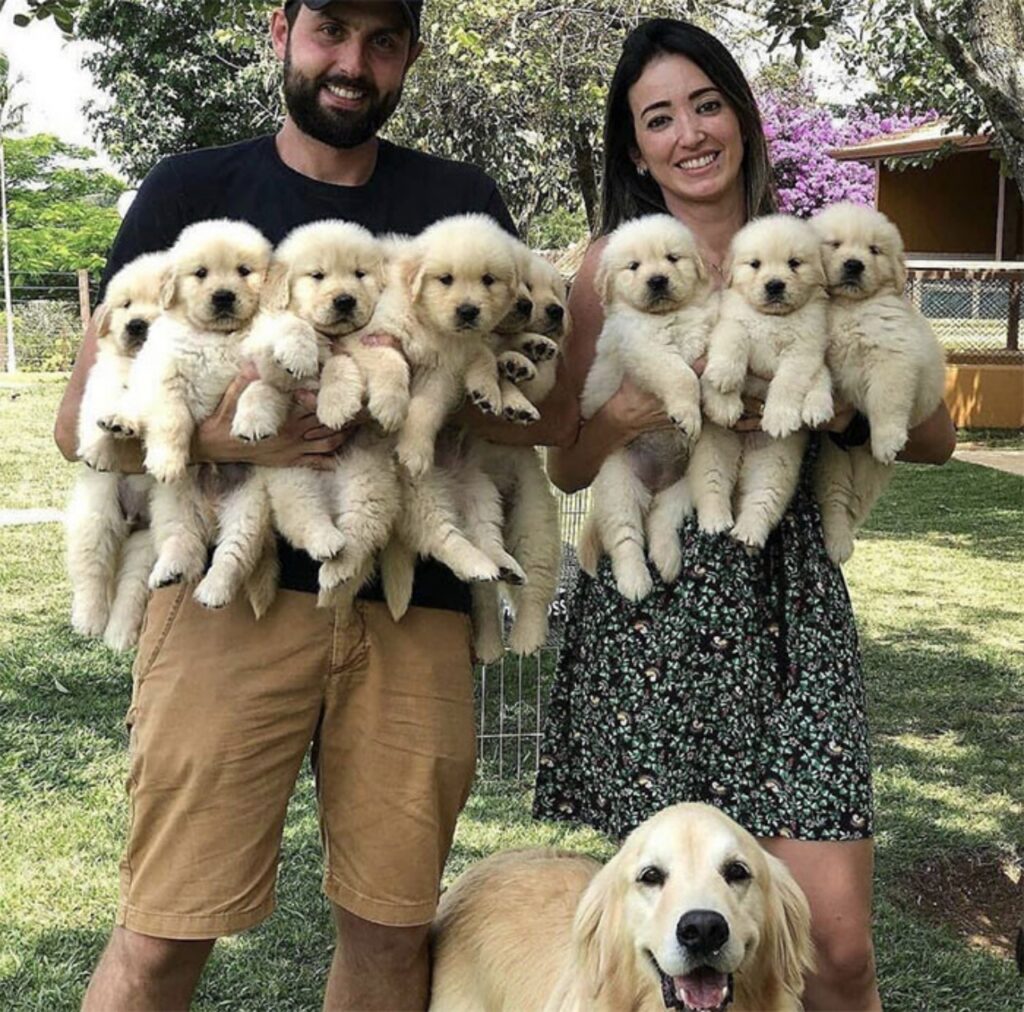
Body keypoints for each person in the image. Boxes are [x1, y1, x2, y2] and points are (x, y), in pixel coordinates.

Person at [53, 3, 576, 1009]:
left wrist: (430, 377)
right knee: (164, 928)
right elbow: (82, 415)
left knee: (391, 937)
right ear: (280, 30)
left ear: (411, 54)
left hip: (408, 604)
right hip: (224, 605)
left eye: (383, 41)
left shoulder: (458, 203)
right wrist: (225, 433)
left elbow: (535, 410)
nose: (352, 63)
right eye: (330, 30)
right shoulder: (193, 192)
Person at [532, 18, 956, 1012]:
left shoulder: (809, 251)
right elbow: (565, 462)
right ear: (635, 148)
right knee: (685, 952)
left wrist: (841, 399)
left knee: (834, 947)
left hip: (789, 603)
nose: (690, 135)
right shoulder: (612, 259)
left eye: (707, 105)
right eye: (659, 119)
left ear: (741, 115)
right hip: (656, 621)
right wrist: (640, 404)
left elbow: (930, 435)